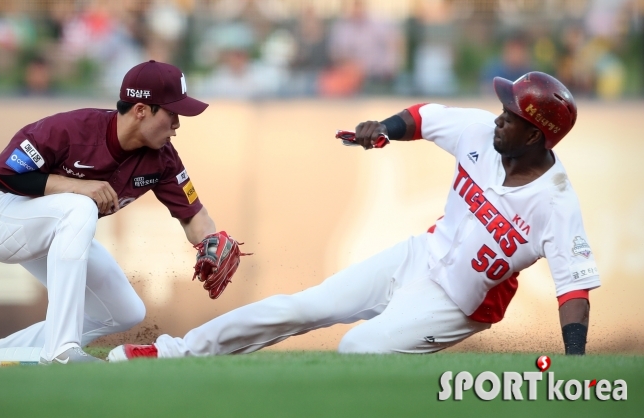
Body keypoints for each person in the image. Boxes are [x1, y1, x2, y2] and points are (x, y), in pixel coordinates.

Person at [108, 71, 599, 361]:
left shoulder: (556, 204)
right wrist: (382, 129)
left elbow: (573, 290)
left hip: (458, 305)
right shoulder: (479, 132)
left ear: (535, 135)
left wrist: (575, 369)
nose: (499, 116)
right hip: (418, 256)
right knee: (300, 307)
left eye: (512, 115)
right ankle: (169, 354)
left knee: (358, 349)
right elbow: (426, 118)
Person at [0, 60, 244, 366]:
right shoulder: (72, 129)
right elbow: (0, 175)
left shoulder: (163, 159)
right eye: (172, 114)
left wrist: (213, 240)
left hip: (50, 231)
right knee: (80, 204)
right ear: (141, 110)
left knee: (124, 311)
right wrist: (76, 186)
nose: (178, 125)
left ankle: (0, 356)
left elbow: (193, 214)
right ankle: (61, 350)